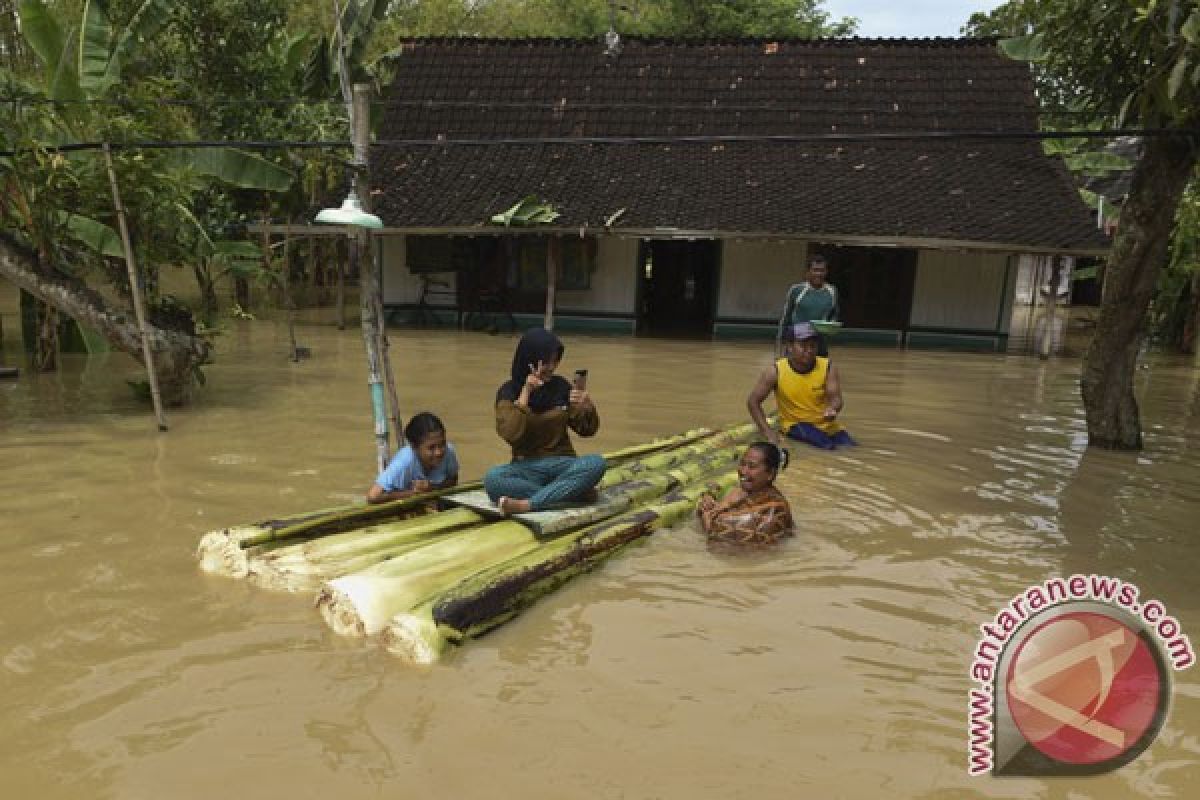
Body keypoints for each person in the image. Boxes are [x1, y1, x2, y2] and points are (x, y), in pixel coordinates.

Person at [484, 328, 606, 515]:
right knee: (493, 479)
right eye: (545, 361)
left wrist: (587, 407)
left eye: (555, 361)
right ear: (529, 360)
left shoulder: (561, 387)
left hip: (562, 465)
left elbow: (586, 430)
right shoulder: (508, 392)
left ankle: (527, 505)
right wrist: (526, 392)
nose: (551, 367)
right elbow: (510, 433)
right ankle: (572, 494)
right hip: (526, 468)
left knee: (596, 463)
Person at [749, 321, 856, 450]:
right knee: (828, 448)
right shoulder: (775, 371)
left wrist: (833, 409)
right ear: (789, 346)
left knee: (852, 448)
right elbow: (753, 402)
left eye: (813, 346)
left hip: (826, 424)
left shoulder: (828, 367)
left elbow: (836, 399)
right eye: (803, 346)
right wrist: (767, 432)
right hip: (796, 424)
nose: (809, 350)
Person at [696, 442, 794, 546]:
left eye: (752, 466)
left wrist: (707, 513)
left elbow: (715, 532)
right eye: (742, 464)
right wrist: (709, 502)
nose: (743, 471)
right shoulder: (749, 492)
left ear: (770, 474)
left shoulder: (773, 510)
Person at [366, 412, 459, 504]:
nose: (439, 452)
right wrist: (413, 493)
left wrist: (432, 487)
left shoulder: (449, 451)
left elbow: (453, 480)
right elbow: (373, 496)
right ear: (414, 447)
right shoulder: (404, 461)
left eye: (442, 444)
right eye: (431, 448)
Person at [777, 254, 839, 357]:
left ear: (826, 272)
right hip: (797, 344)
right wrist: (781, 345)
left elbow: (834, 314)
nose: (818, 274)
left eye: (822, 270)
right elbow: (785, 318)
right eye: (815, 270)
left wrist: (832, 324)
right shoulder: (796, 290)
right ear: (808, 272)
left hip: (819, 344)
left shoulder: (832, 291)